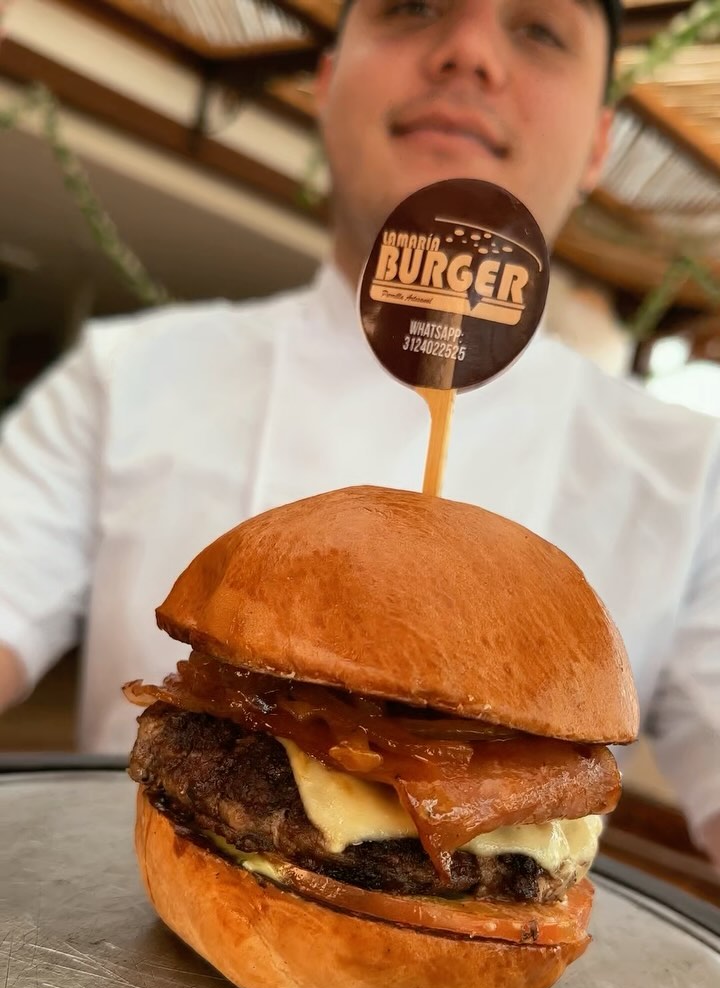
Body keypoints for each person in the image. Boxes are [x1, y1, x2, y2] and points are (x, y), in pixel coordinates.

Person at [0, 0, 718, 865]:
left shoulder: (692, 475)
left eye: (538, 31)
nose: (469, 52)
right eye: (412, 6)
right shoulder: (123, 377)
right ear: (328, 82)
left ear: (599, 143)